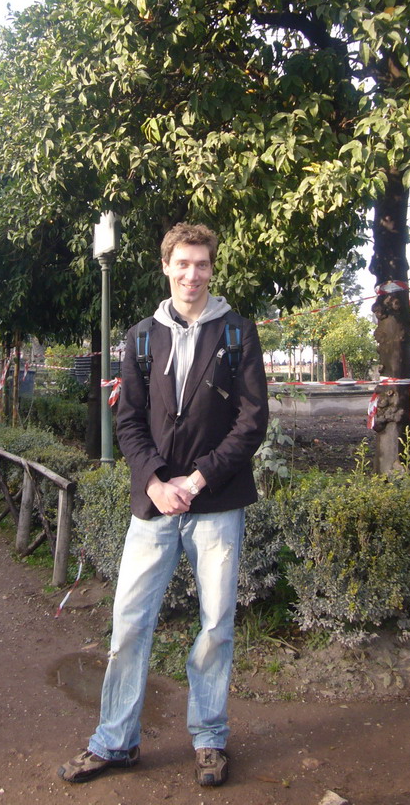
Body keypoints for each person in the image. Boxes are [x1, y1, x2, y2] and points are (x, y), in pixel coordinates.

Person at [58, 223, 268, 789]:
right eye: (182, 263)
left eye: (201, 264)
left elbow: (252, 422)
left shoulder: (237, 334)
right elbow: (126, 420)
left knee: (216, 625)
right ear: (166, 267)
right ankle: (115, 740)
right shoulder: (140, 338)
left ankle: (209, 737)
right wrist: (154, 482)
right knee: (129, 621)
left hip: (216, 503)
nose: (192, 274)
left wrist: (196, 481)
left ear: (211, 269)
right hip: (152, 506)